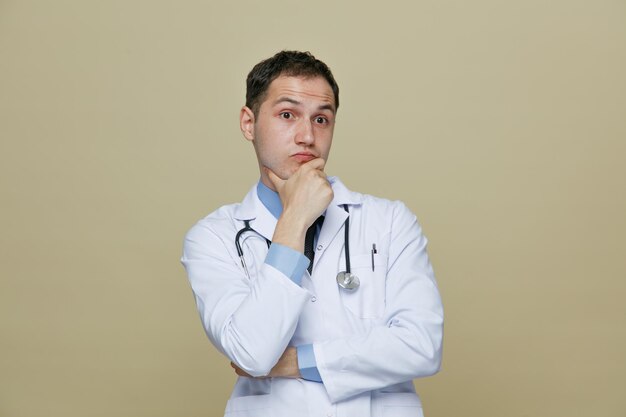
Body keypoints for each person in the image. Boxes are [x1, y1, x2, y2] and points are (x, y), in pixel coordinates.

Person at [181, 50, 443, 417]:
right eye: (287, 115)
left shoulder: (390, 221)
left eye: (321, 119)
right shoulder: (213, 238)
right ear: (248, 123)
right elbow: (252, 352)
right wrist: (294, 219)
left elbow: (421, 345)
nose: (307, 136)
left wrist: (294, 363)